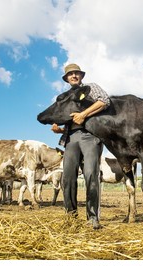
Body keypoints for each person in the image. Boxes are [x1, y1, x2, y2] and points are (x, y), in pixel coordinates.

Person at [51, 63, 110, 229]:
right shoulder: (65, 97)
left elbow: (105, 101)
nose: (74, 76)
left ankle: (93, 218)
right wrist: (59, 129)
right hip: (71, 138)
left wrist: (84, 114)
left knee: (91, 174)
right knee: (68, 177)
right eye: (70, 74)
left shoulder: (91, 88)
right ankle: (71, 217)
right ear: (66, 79)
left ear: (81, 76)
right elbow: (68, 120)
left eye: (76, 73)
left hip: (90, 136)